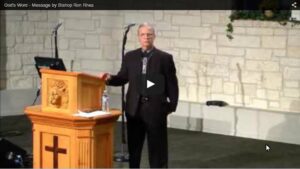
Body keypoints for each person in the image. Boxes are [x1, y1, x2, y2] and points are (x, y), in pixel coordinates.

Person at [99, 23, 179, 168]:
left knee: (158, 150)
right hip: (134, 110)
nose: (146, 37)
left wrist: (170, 106)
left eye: (149, 34)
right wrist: (110, 78)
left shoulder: (165, 58)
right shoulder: (130, 57)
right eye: (143, 34)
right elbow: (123, 77)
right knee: (134, 149)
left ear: (154, 36)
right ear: (138, 37)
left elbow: (172, 84)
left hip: (156, 110)